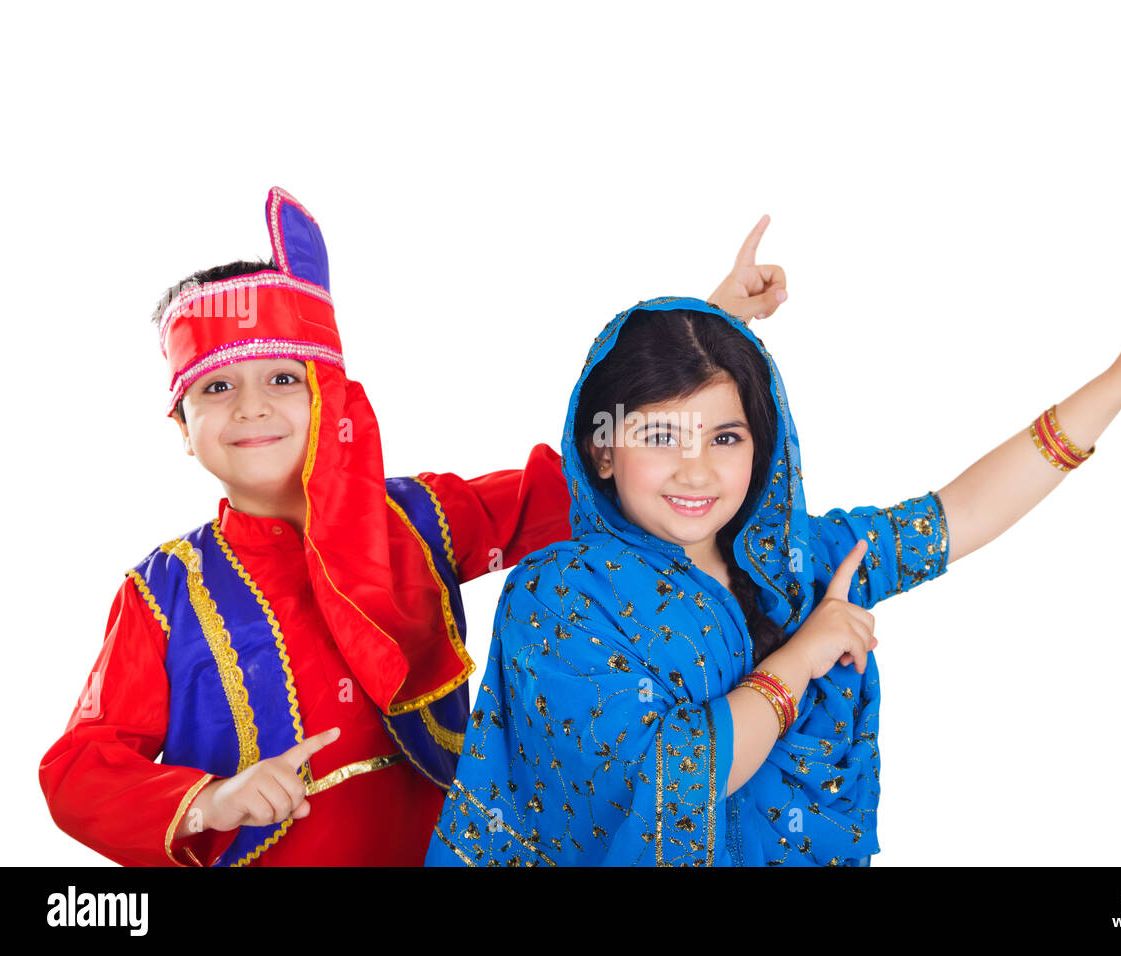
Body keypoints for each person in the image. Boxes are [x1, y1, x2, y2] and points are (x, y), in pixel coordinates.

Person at [38, 188, 786, 866]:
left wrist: (705, 329)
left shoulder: (416, 519)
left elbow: (586, 479)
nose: (252, 407)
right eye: (218, 386)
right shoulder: (164, 593)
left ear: (330, 392)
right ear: (180, 424)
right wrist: (212, 799)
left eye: (284, 379)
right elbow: (79, 767)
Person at [427, 262, 1121, 866]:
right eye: (661, 438)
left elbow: (960, 513)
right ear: (602, 450)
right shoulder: (556, 599)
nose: (696, 472)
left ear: (762, 447)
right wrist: (801, 659)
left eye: (724, 439)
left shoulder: (798, 566)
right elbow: (669, 783)